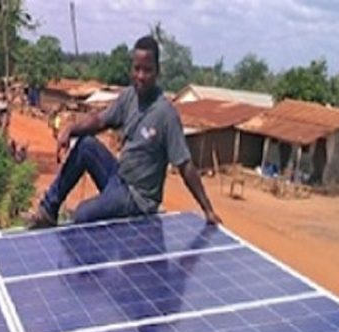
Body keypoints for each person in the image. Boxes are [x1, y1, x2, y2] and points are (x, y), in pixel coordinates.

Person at [27, 35, 222, 228]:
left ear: (157, 72)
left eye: (147, 70)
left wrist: (208, 209)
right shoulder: (129, 96)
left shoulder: (166, 115)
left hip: (137, 198)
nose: (141, 76)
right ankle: (48, 211)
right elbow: (100, 120)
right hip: (118, 178)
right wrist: (71, 129)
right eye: (137, 69)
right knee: (86, 145)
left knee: (82, 215)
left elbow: (185, 165)